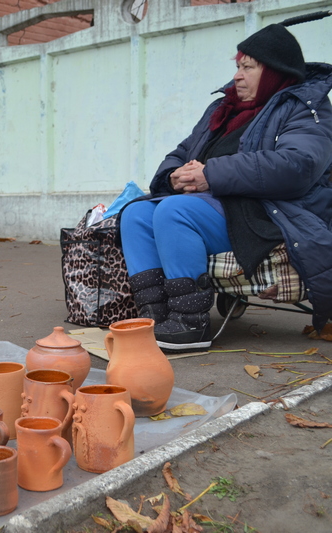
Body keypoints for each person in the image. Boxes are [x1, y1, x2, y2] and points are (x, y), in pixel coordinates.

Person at [120, 24, 332, 352]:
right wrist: (174, 175)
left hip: (269, 213)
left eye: (248, 67)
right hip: (218, 206)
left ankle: (190, 324)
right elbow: (183, 151)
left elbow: (297, 166)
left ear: (276, 73)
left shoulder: (303, 108)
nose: (237, 75)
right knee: (135, 214)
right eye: (237, 66)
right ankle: (155, 318)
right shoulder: (223, 109)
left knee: (175, 211)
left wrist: (211, 175)